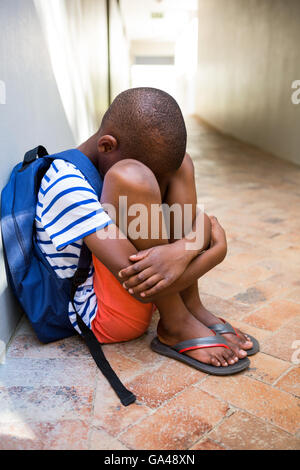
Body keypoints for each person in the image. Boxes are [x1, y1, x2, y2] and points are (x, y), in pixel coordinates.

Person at [36, 87, 257, 375]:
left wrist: (184, 245)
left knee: (180, 163)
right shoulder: (65, 184)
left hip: (149, 279)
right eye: (156, 182)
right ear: (106, 146)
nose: (158, 191)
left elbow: (198, 219)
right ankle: (175, 324)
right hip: (105, 314)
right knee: (131, 177)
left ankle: (191, 307)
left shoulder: (106, 158)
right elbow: (141, 287)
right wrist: (205, 250)